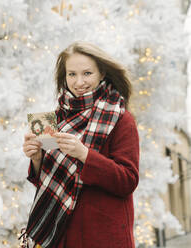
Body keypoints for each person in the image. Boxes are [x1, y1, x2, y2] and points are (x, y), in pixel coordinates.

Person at [22, 41, 140, 248]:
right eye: (72, 74)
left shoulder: (121, 118)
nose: (79, 82)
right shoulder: (55, 119)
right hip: (61, 234)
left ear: (102, 73)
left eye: (87, 73)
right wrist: (37, 159)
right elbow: (50, 181)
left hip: (103, 236)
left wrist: (85, 155)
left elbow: (128, 180)